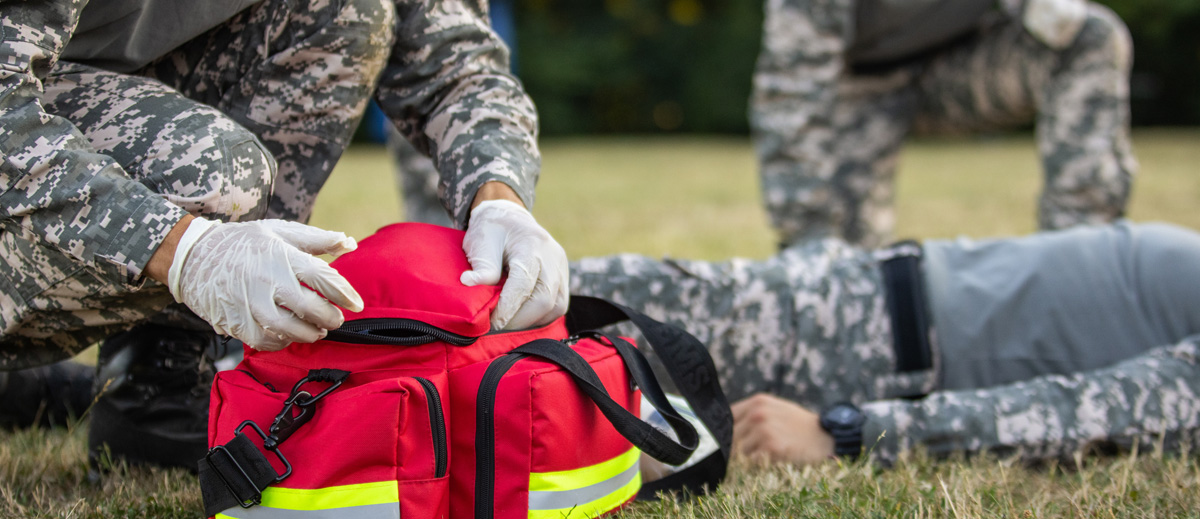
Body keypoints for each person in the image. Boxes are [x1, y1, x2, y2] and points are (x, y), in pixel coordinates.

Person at [0, 0, 568, 470]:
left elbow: (456, 61)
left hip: (100, 83)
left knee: (353, 9)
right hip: (20, 90)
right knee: (215, 176)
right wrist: (183, 249)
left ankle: (164, 380)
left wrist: (501, 198)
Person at [570, 221, 1200, 466]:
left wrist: (849, 433)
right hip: (855, 301)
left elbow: (1101, 412)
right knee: (530, 294)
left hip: (869, 340)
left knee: (539, 324)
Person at [752, 0, 1138, 248]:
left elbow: (1054, 21)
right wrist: (808, 233)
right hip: (857, 87)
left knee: (1090, 36)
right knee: (846, 278)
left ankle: (1082, 254)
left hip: (958, 66)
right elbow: (792, 89)